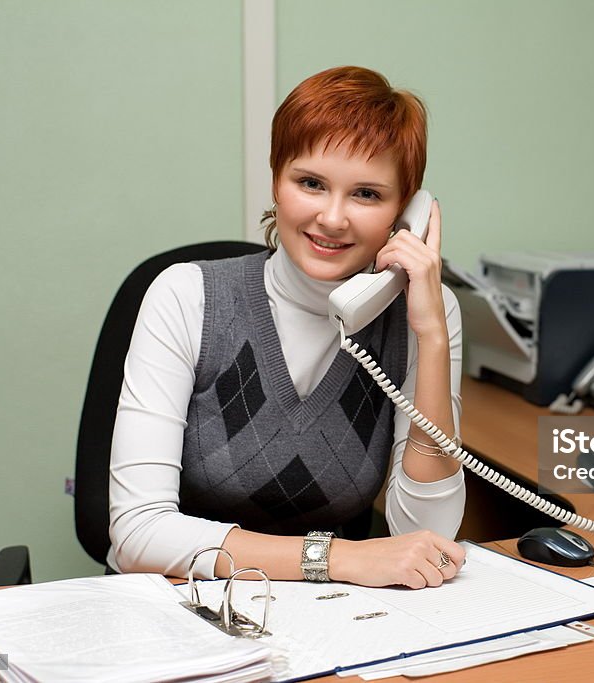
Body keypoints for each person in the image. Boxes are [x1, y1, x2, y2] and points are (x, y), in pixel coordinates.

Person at [108, 66, 466, 589]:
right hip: (174, 609)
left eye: (367, 194)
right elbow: (138, 535)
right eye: (311, 184)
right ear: (276, 179)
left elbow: (425, 537)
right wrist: (339, 559)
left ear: (406, 211)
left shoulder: (426, 315)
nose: (333, 217)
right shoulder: (187, 295)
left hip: (329, 622)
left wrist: (431, 336)